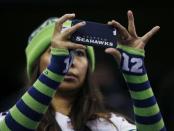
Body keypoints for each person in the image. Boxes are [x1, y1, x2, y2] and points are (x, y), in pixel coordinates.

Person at [0, 10, 166, 131]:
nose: (70, 61)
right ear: (37, 65)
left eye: (79, 53)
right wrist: (56, 71)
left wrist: (136, 75)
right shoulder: (10, 119)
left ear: (89, 67)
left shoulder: (112, 126)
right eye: (56, 53)